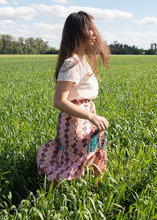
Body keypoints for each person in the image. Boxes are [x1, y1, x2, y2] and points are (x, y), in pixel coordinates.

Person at [36, 11, 110, 188]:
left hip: (86, 118)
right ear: (77, 32)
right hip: (75, 122)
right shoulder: (71, 63)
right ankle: (45, 197)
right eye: (89, 29)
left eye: (94, 28)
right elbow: (59, 101)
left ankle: (94, 191)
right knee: (73, 161)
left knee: (93, 153)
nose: (94, 33)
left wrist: (92, 116)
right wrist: (90, 117)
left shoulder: (83, 60)